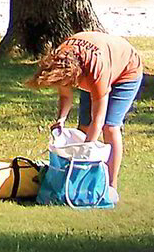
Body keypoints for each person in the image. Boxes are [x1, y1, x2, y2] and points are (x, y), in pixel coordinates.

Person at [27, 31, 143, 200]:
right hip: (94, 65)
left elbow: (99, 119)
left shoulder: (96, 71)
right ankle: (84, 183)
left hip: (127, 70)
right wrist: (61, 119)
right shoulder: (60, 61)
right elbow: (65, 95)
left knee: (110, 127)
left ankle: (111, 187)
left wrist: (86, 150)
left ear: (75, 75)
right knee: (84, 128)